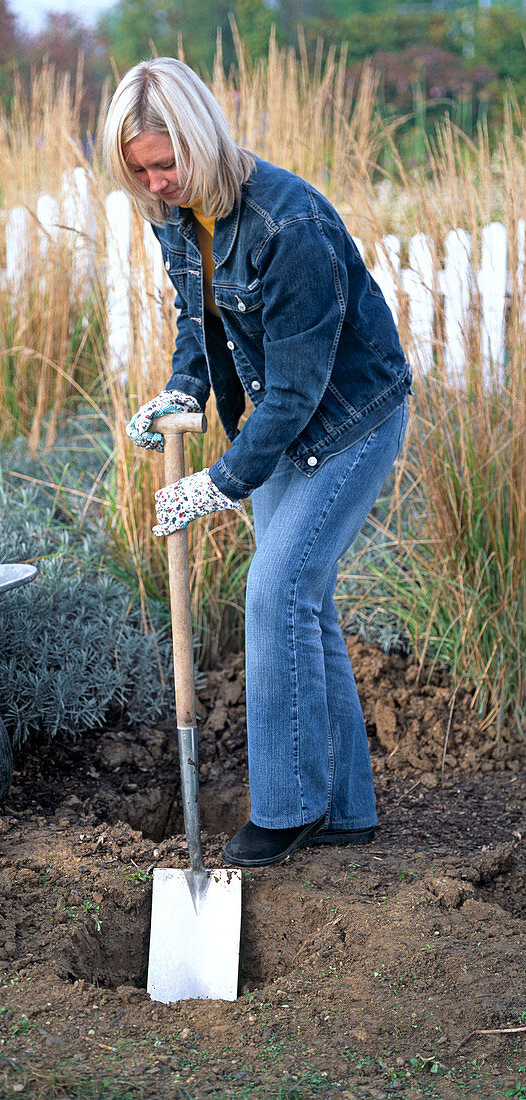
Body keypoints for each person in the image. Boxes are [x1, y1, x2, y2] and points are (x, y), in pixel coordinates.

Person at [102, 57, 411, 868]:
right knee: (303, 602)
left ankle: (286, 809)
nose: (156, 182)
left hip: (344, 422)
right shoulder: (172, 213)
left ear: (201, 139)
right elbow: (193, 314)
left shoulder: (290, 224)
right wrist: (179, 393)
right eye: (138, 170)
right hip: (275, 423)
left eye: (166, 163)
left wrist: (218, 482)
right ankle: (345, 812)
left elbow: (301, 390)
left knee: (273, 593)